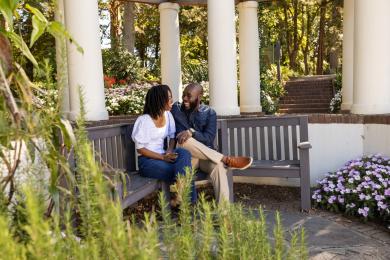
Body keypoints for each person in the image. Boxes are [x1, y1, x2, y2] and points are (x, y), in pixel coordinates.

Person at [171, 83, 253, 203]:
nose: (184, 99)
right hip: (185, 157)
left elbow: (208, 138)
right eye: (184, 95)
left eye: (189, 96)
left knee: (219, 167)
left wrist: (192, 132)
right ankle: (226, 159)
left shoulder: (209, 113)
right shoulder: (176, 109)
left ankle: (224, 215)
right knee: (184, 140)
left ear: (199, 97)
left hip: (204, 156)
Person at [131, 84, 196, 204]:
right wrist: (162, 157)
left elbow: (172, 136)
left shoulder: (168, 115)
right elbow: (140, 149)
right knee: (184, 170)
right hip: (147, 161)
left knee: (183, 153)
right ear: (159, 100)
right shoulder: (144, 120)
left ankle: (181, 199)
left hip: (163, 156)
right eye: (169, 97)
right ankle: (189, 204)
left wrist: (170, 150)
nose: (172, 100)